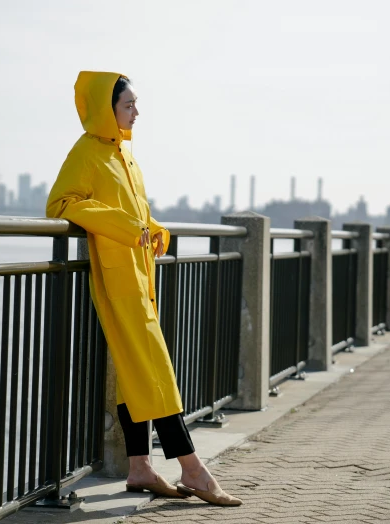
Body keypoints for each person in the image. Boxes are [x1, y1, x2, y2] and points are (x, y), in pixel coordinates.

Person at [46, 71, 242, 507]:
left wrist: (151, 227)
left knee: (136, 377)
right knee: (156, 373)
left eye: (135, 104)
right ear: (106, 109)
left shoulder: (124, 156)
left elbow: (132, 209)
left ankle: (140, 467)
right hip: (117, 279)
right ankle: (195, 471)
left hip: (139, 277)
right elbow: (63, 203)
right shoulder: (87, 153)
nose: (137, 112)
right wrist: (124, 227)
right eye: (128, 105)